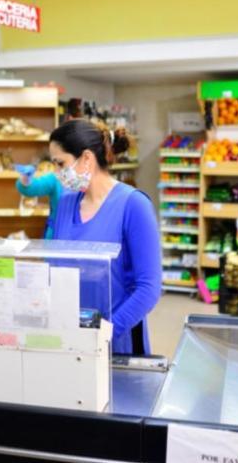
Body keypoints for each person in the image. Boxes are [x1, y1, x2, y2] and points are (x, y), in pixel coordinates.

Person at [47, 119, 162, 355]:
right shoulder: (66, 204)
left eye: (61, 164)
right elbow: (55, 269)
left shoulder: (133, 204)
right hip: (70, 340)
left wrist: (104, 334)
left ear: (86, 158)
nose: (57, 173)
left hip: (117, 342)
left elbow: (148, 288)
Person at [16, 171, 64, 239]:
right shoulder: (55, 178)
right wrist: (25, 181)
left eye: (61, 163)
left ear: (83, 160)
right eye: (54, 162)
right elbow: (34, 187)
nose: (57, 168)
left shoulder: (83, 182)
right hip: (55, 236)